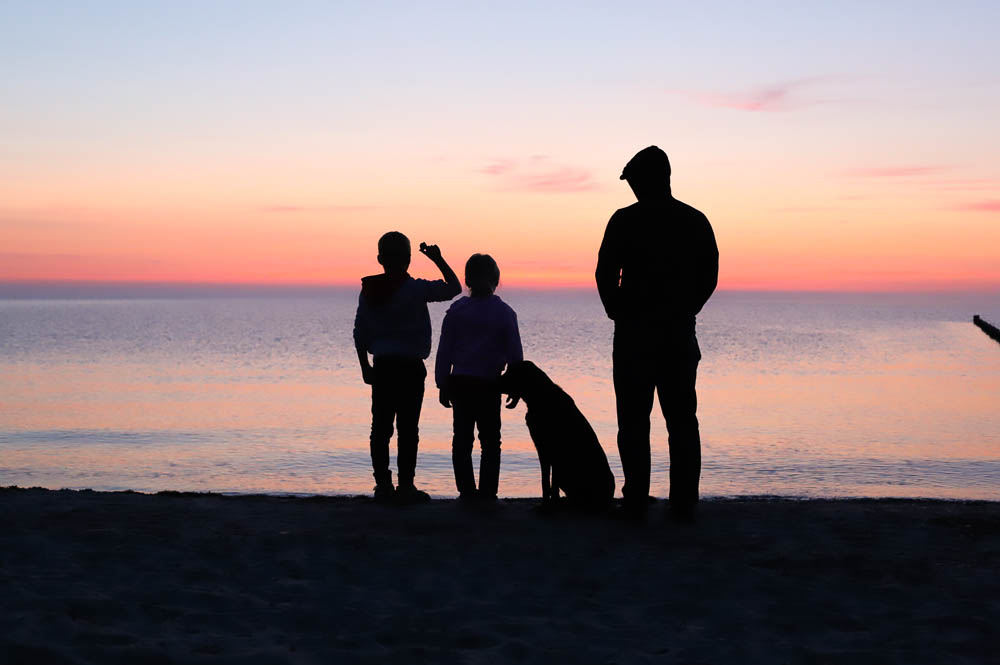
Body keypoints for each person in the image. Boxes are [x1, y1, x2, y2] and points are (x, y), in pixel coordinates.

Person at [595, 146, 719, 521]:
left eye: (633, 180)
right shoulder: (694, 220)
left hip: (638, 335)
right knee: (680, 420)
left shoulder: (624, 221)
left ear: (648, 179)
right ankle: (683, 500)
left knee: (636, 420)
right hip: (675, 333)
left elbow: (604, 274)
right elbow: (708, 275)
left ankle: (637, 496)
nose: (630, 187)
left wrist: (618, 311)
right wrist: (688, 309)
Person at [354, 231, 462, 503]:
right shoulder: (415, 289)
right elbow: (454, 288)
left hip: (382, 367)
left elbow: (360, 332)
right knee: (407, 429)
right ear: (410, 259)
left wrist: (364, 367)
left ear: (379, 259)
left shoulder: (369, 290)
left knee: (380, 428)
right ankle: (405, 486)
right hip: (410, 368)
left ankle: (383, 485)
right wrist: (438, 258)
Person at [435, 254, 523, 502]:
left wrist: (443, 382)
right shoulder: (505, 313)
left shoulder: (457, 311)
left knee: (462, 440)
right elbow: (515, 354)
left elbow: (445, 350)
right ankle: (487, 493)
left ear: (467, 279)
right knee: (490, 442)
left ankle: (466, 491)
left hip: (461, 382)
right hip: (489, 384)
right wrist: (516, 386)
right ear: (496, 279)